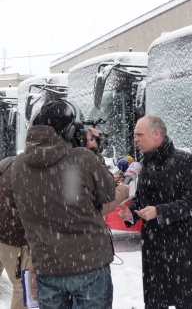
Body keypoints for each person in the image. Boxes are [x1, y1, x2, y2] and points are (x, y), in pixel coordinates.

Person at [12, 100, 116, 309]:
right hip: (90, 264)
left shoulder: (19, 165)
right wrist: (93, 152)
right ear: (69, 132)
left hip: (47, 266)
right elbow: (107, 193)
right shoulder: (83, 158)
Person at [118, 114, 192, 309]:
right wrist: (131, 212)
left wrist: (159, 211)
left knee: (187, 303)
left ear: (156, 135)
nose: (135, 140)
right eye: (135, 135)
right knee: (155, 304)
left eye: (139, 134)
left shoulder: (186, 160)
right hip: (153, 253)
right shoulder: (144, 163)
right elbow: (141, 199)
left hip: (182, 252)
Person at [0, 155, 27, 309]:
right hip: (13, 239)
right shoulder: (31, 168)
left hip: (5, 233)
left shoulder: (7, 162)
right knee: (21, 288)